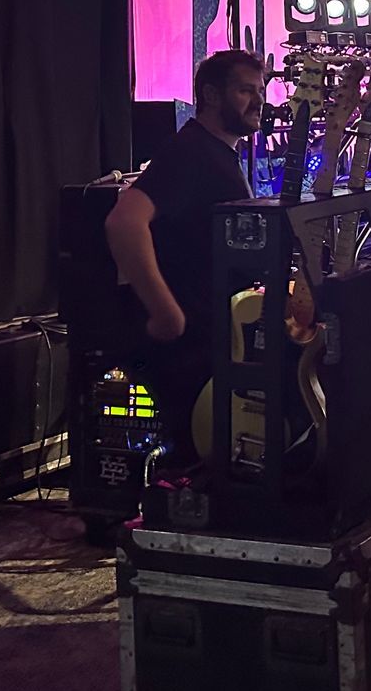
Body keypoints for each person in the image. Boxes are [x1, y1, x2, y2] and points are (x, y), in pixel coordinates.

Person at [104, 48, 264, 440]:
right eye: (246, 90)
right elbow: (124, 221)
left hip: (213, 337)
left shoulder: (217, 153)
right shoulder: (191, 152)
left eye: (260, 90)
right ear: (210, 95)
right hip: (189, 348)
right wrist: (166, 313)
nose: (259, 101)